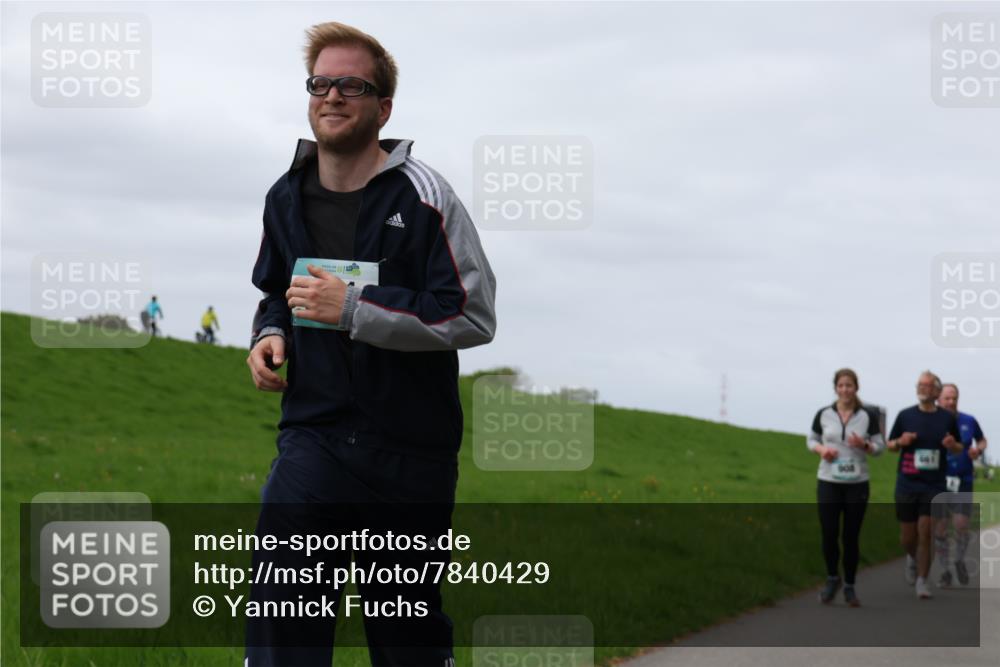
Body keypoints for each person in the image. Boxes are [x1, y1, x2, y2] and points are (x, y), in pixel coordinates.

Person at [244, 22, 496, 667]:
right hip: (313, 439)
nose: (333, 95)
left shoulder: (425, 197)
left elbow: (471, 315)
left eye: (351, 85)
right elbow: (277, 290)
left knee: (406, 641)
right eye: (321, 83)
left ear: (382, 107)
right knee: (282, 616)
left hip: (409, 454)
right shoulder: (285, 196)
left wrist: (353, 309)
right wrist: (270, 334)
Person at [807, 368, 885, 607]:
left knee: (850, 536)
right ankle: (832, 578)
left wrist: (864, 445)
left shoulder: (867, 416)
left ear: (856, 388)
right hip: (828, 481)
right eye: (841, 385)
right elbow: (811, 440)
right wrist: (823, 450)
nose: (845, 389)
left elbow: (880, 447)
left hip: (856, 484)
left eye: (849, 385)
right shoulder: (824, 414)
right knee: (829, 533)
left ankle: (850, 585)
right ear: (835, 388)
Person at [886, 371, 963, 599]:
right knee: (907, 538)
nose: (923, 388)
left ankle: (922, 580)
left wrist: (952, 444)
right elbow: (890, 444)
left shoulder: (946, 419)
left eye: (928, 385)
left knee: (926, 531)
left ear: (937, 391)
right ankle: (912, 556)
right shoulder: (905, 415)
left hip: (934, 484)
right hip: (907, 483)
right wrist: (901, 441)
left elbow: (959, 447)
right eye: (920, 384)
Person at [935, 383, 988, 587]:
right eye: (947, 398)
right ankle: (945, 571)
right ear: (938, 399)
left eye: (954, 398)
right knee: (940, 528)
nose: (951, 402)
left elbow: (982, 440)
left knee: (961, 525)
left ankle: (958, 560)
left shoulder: (968, 420)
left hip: (963, 478)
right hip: (939, 480)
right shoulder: (934, 421)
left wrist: (978, 450)